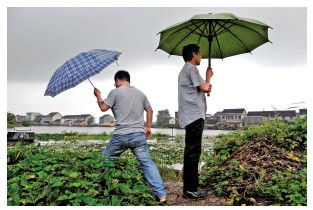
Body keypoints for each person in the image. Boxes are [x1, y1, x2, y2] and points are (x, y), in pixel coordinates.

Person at [93, 70, 166, 203]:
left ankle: (100, 190)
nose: (115, 85)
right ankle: (162, 196)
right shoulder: (140, 93)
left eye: (115, 83)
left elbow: (103, 108)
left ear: (117, 80)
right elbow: (149, 110)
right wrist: (148, 127)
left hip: (121, 135)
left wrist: (98, 95)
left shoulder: (115, 92)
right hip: (138, 135)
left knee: (105, 161)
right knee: (147, 164)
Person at [178, 44, 213, 199]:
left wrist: (206, 84)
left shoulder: (185, 70)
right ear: (194, 54)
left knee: (190, 151)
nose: (201, 56)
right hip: (194, 115)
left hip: (190, 115)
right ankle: (190, 189)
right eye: (199, 54)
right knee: (193, 152)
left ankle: (189, 188)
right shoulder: (191, 69)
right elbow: (204, 87)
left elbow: (202, 89)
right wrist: (209, 76)